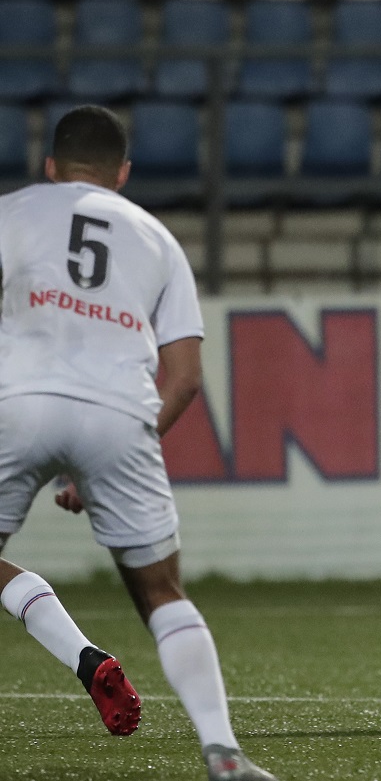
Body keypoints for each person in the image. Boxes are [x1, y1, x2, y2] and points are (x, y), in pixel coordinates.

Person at [0, 107, 278, 781]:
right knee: (161, 590)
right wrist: (110, 457)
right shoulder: (157, 238)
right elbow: (182, 378)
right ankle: (224, 752)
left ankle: (83, 656)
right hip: (120, 410)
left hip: (17, 399)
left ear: (50, 166)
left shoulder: (13, 211)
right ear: (122, 174)